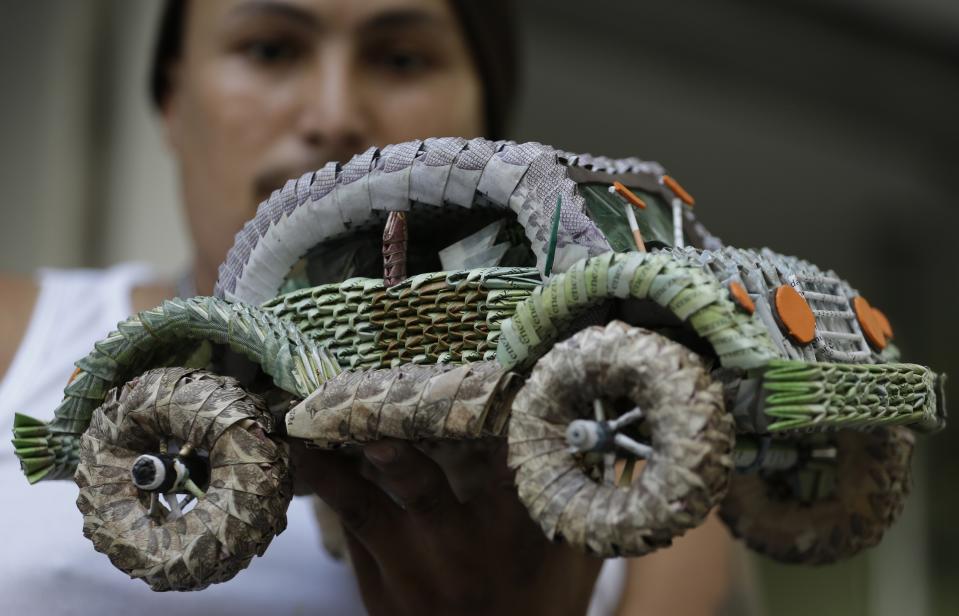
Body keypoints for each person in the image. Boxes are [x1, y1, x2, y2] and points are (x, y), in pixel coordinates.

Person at [0, 1, 744, 614]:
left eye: (400, 59)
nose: (333, 115)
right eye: (268, 49)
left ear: (485, 118)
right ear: (172, 100)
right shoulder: (22, 338)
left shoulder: (651, 462)